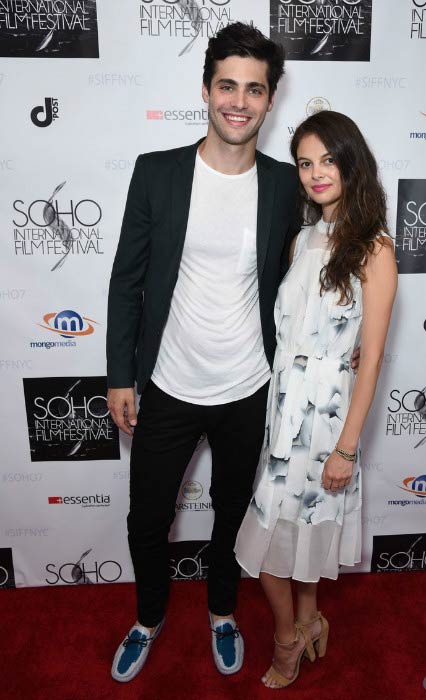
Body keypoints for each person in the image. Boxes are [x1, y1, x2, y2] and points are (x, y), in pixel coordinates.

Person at [106, 22, 301, 682]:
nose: (238, 101)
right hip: (167, 385)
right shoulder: (156, 173)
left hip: (249, 386)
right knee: (146, 521)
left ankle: (222, 610)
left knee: (231, 516)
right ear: (206, 90)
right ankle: (149, 617)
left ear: (270, 100)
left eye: (254, 89)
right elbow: (127, 281)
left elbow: (304, 280)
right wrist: (118, 375)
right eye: (227, 86)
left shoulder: (284, 185)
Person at [235, 110, 397, 689]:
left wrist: (347, 450)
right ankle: (306, 623)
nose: (315, 173)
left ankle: (286, 642)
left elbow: (371, 356)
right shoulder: (303, 238)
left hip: (327, 423)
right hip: (283, 413)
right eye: (305, 163)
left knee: (280, 542)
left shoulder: (375, 248)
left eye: (328, 159)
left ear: (352, 162)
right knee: (283, 538)